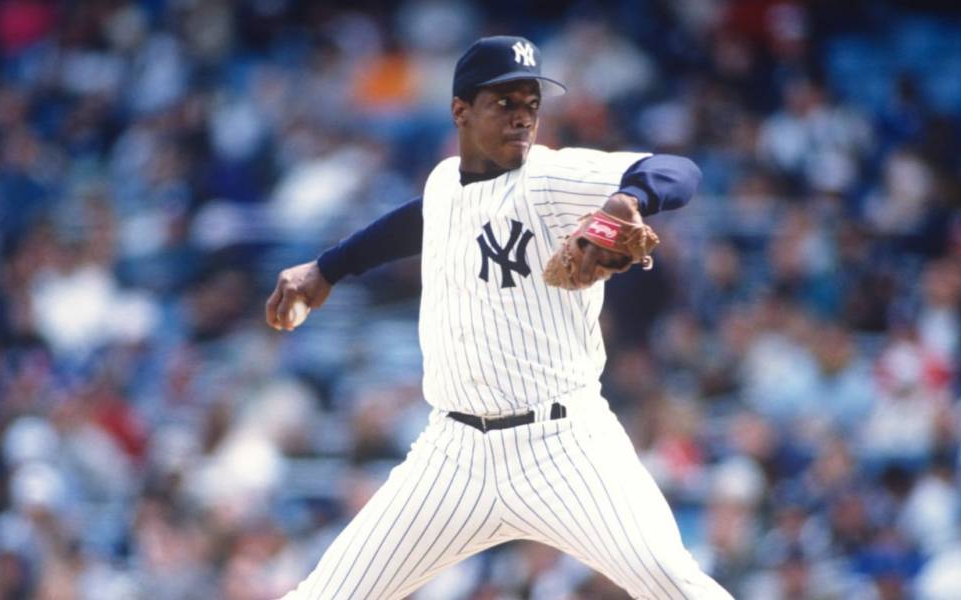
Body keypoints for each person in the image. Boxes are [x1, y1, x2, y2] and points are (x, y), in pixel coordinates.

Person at [266, 35, 733, 599]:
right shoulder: (444, 183)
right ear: (460, 110)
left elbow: (677, 170)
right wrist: (327, 268)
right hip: (452, 455)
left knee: (673, 583)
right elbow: (419, 220)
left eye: (531, 104)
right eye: (504, 103)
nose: (522, 118)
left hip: (564, 447)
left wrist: (631, 200)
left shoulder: (550, 179)